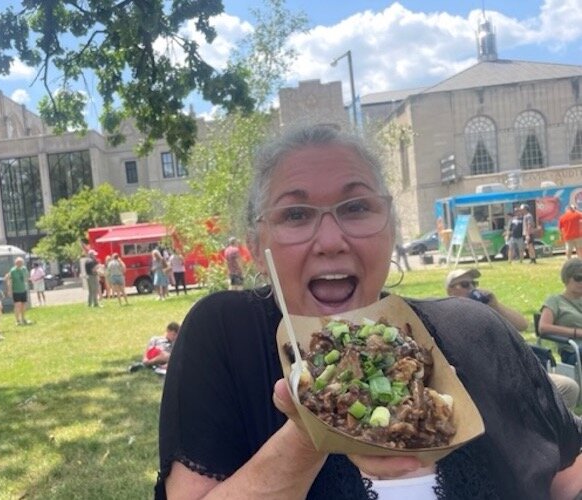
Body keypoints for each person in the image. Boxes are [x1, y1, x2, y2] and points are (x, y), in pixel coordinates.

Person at [156, 125, 582, 499]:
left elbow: (568, 479)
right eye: (296, 214)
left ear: (391, 225)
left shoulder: (477, 330)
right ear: (255, 241)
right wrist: (309, 433)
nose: (330, 240)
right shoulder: (227, 333)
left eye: (357, 207)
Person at [446, 268, 580, 409]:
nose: (472, 289)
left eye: (474, 284)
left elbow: (522, 324)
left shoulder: (486, 310)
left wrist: (495, 305)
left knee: (568, 387)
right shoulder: (448, 317)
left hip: (515, 371)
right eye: (466, 285)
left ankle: (553, 428)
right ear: (450, 290)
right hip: (487, 380)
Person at [538, 258, 582, 366]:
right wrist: (577, 332)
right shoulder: (555, 301)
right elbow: (543, 327)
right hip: (573, 352)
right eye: (578, 278)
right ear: (567, 278)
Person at [6, 257, 32, 325]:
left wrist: (26, 282)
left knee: (23, 305)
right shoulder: (12, 270)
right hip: (16, 291)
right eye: (19, 263)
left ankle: (23, 319)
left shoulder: (24, 269)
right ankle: (17, 320)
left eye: (21, 263)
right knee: (17, 305)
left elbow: (26, 277)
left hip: (23, 289)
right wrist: (9, 290)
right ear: (16, 263)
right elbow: (9, 281)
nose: (20, 264)